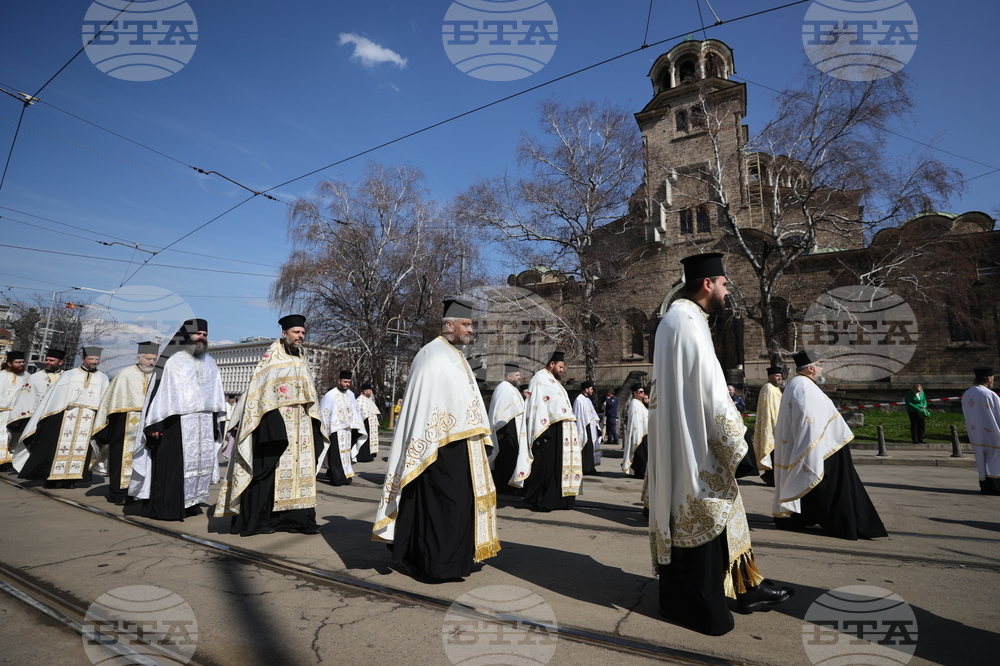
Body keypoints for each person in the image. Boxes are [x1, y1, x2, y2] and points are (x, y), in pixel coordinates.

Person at [648, 252, 791, 636]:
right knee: (709, 513)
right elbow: (711, 393)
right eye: (725, 284)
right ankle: (703, 607)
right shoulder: (688, 322)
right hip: (698, 446)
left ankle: (747, 588)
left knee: (708, 518)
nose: (727, 292)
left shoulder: (676, 320)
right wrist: (737, 444)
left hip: (686, 440)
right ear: (708, 283)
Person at [373, 298, 500, 580]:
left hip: (462, 449)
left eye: (471, 325)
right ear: (449, 324)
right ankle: (434, 564)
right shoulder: (431, 354)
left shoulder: (457, 356)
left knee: (459, 507)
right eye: (466, 324)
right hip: (438, 450)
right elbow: (425, 407)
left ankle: (456, 561)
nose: (470, 330)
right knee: (441, 506)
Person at [215, 314, 327, 536]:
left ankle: (297, 520)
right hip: (276, 422)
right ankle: (264, 520)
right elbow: (257, 390)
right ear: (284, 334)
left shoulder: (302, 358)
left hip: (301, 425)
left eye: (303, 333)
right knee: (270, 471)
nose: (300, 336)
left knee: (299, 472)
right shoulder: (271, 359)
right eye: (296, 332)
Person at [772, 350, 887, 540]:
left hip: (826, 444)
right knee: (831, 487)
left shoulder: (801, 384)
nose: (821, 368)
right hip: (821, 448)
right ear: (810, 368)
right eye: (818, 365)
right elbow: (808, 421)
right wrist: (812, 450)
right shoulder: (803, 386)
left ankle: (805, 517)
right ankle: (839, 523)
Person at [130, 319, 226, 521]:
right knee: (172, 467)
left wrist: (218, 423)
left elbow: (216, 394)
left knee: (199, 467)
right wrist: (155, 424)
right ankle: (165, 507)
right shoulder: (171, 359)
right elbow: (157, 393)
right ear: (186, 335)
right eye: (198, 333)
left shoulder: (210, 361)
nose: (202, 337)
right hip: (175, 423)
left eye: (205, 334)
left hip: (203, 423)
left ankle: (189, 503)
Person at [13, 347, 109, 489]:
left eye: (96, 360)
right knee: (56, 448)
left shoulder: (103, 378)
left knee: (81, 449)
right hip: (65, 417)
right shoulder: (69, 375)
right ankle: (51, 478)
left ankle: (70, 479)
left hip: (88, 420)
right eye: (91, 359)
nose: (94, 362)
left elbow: (104, 401)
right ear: (83, 359)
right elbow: (55, 399)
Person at [514, 351, 582, 511]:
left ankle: (559, 500)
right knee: (545, 466)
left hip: (562, 432)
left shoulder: (553, 381)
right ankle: (537, 498)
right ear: (552, 364)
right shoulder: (539, 379)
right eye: (560, 366)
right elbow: (536, 406)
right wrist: (543, 432)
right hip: (548, 431)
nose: (562, 370)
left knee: (558, 466)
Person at [91, 342, 158, 505]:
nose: (151, 363)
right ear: (138, 357)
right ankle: (119, 493)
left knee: (146, 458)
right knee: (121, 458)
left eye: (154, 360)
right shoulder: (125, 374)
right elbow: (111, 401)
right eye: (148, 359)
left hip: (149, 422)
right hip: (125, 423)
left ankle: (142, 491)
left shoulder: (158, 375)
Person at [7, 348, 66, 446]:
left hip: (57, 418)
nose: (47, 362)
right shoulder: (34, 377)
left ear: (60, 362)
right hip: (36, 418)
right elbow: (25, 397)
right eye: (46, 360)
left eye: (51, 360)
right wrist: (17, 416)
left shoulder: (67, 378)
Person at [319, 371, 365, 484]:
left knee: (345, 454)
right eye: (345, 382)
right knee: (335, 455)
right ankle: (337, 478)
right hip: (334, 429)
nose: (347, 384)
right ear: (339, 381)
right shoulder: (330, 395)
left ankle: (344, 474)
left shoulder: (351, 394)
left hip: (348, 429)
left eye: (349, 382)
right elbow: (324, 412)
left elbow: (355, 410)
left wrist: (357, 426)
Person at [488, 362, 527, 494]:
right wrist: (501, 432)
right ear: (508, 375)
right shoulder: (503, 388)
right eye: (516, 375)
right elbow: (500, 413)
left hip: (514, 432)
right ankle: (504, 488)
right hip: (506, 433)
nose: (519, 378)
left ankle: (512, 486)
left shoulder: (513, 389)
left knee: (513, 459)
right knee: (506, 460)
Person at [961, 367, 1000, 495]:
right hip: (993, 434)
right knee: (995, 461)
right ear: (989, 379)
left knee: (982, 461)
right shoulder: (989, 394)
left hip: (976, 433)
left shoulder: (968, 393)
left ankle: (985, 485)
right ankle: (996, 487)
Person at [753, 366, 783, 487]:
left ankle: (772, 477)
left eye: (780, 376)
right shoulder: (768, 389)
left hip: (777, 424)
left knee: (776, 454)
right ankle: (770, 477)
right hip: (771, 425)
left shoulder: (776, 389)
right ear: (770, 377)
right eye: (777, 376)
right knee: (772, 452)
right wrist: (776, 425)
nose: (779, 378)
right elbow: (770, 409)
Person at [0, 351, 28, 466]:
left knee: (13, 437)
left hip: (17, 413)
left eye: (22, 362)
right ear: (9, 363)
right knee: (2, 435)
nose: (21, 364)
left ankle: (7, 461)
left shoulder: (27, 376)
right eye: (18, 362)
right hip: (1, 412)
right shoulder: (1, 375)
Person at [573, 380, 602, 476]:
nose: (592, 391)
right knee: (586, 447)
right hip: (584, 427)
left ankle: (591, 467)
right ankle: (586, 468)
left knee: (591, 447)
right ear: (585, 389)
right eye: (591, 389)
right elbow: (578, 416)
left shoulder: (587, 400)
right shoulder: (579, 400)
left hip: (591, 427)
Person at [623, 384, 648, 478]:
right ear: (635, 393)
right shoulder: (634, 404)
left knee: (643, 454)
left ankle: (640, 472)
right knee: (640, 454)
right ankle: (640, 473)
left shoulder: (639, 403)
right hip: (638, 433)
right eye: (640, 392)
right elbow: (635, 420)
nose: (643, 393)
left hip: (643, 432)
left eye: (643, 392)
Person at [356, 384, 380, 463]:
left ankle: (370, 454)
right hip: (365, 424)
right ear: (364, 391)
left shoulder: (370, 400)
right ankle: (363, 456)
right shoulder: (359, 400)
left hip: (371, 424)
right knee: (364, 439)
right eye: (369, 390)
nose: (371, 392)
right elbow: (360, 413)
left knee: (370, 439)